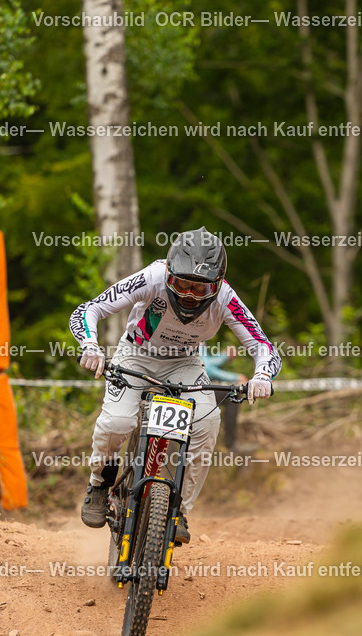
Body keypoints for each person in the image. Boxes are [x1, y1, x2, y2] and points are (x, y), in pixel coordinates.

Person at [70, 227, 280, 543]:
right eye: (183, 284)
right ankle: (100, 483)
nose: (190, 295)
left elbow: (262, 345)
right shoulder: (152, 278)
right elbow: (90, 309)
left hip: (184, 363)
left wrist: (262, 376)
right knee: (117, 422)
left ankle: (178, 507)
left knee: (208, 422)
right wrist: (90, 345)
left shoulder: (226, 298)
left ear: (218, 283)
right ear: (169, 275)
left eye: (201, 288)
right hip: (136, 355)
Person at [201, 344, 248, 451]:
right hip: (191, 388)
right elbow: (206, 368)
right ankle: (230, 445)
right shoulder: (198, 333)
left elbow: (205, 362)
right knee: (233, 395)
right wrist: (236, 377)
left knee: (231, 395)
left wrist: (224, 356)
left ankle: (227, 444)